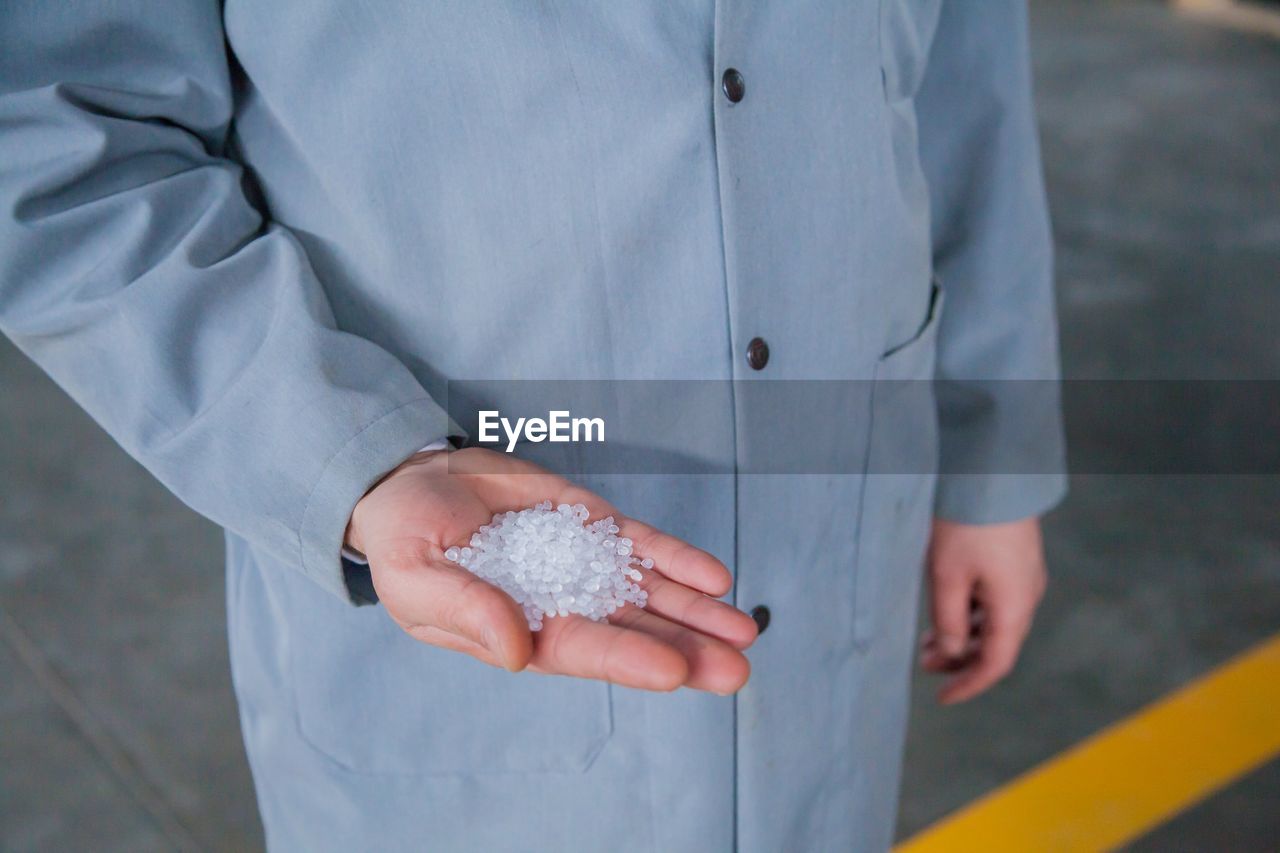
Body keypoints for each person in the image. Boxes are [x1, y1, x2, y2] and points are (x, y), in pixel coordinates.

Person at [0, 1, 1066, 850]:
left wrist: (989, 464)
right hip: (447, 596)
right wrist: (358, 465)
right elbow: (53, 139)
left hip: (834, 527)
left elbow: (968, 86)